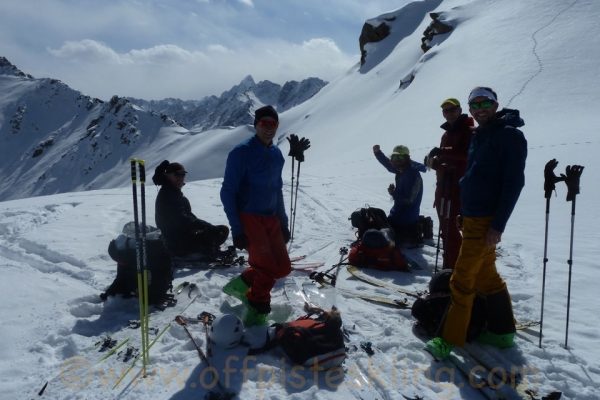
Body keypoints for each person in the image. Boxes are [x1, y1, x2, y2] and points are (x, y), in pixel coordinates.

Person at [426, 87, 527, 360]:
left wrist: (498, 225)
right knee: (487, 277)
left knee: (461, 280)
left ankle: (448, 339)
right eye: (475, 104)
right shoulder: (480, 135)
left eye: (485, 103)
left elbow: (513, 183)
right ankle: (502, 332)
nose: (480, 108)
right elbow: (472, 175)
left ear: (496, 104)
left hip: (486, 221)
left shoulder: (509, 136)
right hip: (472, 216)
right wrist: (464, 212)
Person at [220, 105, 291, 326]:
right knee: (268, 269)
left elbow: (277, 189)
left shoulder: (276, 154)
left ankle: (241, 285)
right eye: (264, 123)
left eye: (273, 124)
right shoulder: (241, 153)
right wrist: (237, 229)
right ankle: (256, 316)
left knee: (282, 267)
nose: (269, 128)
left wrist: (283, 223)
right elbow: (227, 192)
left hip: (271, 218)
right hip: (249, 217)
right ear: (256, 125)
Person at [425, 98, 474, 269]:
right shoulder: (447, 134)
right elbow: (448, 160)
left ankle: (455, 270)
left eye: (452, 109)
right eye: (446, 110)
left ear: (460, 110)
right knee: (446, 231)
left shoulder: (469, 130)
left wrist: (442, 153)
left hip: (458, 188)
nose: (449, 113)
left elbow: (467, 155)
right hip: (444, 187)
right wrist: (435, 163)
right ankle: (450, 268)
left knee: (452, 230)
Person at [152, 160, 229, 258]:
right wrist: (205, 227)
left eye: (182, 175)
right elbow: (182, 219)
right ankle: (203, 251)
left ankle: (205, 248)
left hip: (180, 236)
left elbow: (186, 218)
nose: (180, 178)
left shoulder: (172, 191)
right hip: (176, 241)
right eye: (177, 175)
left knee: (220, 231)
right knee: (218, 232)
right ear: (168, 176)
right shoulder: (168, 194)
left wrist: (204, 227)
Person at [373, 144, 425, 244]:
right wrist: (378, 153)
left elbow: (409, 200)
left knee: (378, 231)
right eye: (394, 157)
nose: (396, 160)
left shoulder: (412, 174)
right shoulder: (402, 169)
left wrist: (393, 193)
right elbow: (388, 165)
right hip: (397, 214)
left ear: (407, 158)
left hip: (406, 219)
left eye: (400, 157)